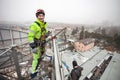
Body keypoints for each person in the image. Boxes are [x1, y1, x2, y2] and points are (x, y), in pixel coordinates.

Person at [28, 9, 50, 79]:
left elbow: (44, 34)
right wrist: (33, 47)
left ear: (44, 16)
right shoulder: (34, 25)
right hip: (36, 45)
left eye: (42, 15)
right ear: (37, 16)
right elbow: (30, 36)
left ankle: (36, 68)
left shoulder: (44, 24)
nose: (41, 17)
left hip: (42, 44)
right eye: (39, 16)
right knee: (35, 59)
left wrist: (47, 35)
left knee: (39, 58)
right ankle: (33, 73)